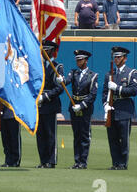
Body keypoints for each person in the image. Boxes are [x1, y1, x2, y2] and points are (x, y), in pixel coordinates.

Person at [56, 50, 98, 169]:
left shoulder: (93, 75)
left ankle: (83, 161)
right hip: (74, 105)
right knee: (76, 134)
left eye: (80, 60)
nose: (78, 62)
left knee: (84, 134)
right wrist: (61, 80)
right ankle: (77, 161)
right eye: (77, 60)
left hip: (85, 108)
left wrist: (82, 105)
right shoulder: (73, 73)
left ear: (86, 60)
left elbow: (92, 95)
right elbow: (67, 81)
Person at [102, 46, 137, 170]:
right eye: (115, 57)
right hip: (112, 109)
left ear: (125, 58)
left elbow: (133, 90)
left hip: (124, 109)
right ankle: (115, 162)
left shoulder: (131, 72)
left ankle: (123, 164)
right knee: (113, 139)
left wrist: (117, 88)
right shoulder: (109, 74)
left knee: (124, 139)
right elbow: (105, 92)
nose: (116, 59)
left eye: (119, 57)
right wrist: (105, 105)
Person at [36, 40, 64, 168]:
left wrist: (45, 97)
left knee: (50, 133)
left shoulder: (57, 67)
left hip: (50, 104)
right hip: (38, 104)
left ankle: (51, 161)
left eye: (46, 50)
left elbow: (59, 88)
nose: (44, 52)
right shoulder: (37, 66)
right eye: (43, 49)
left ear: (52, 51)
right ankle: (43, 160)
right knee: (40, 134)